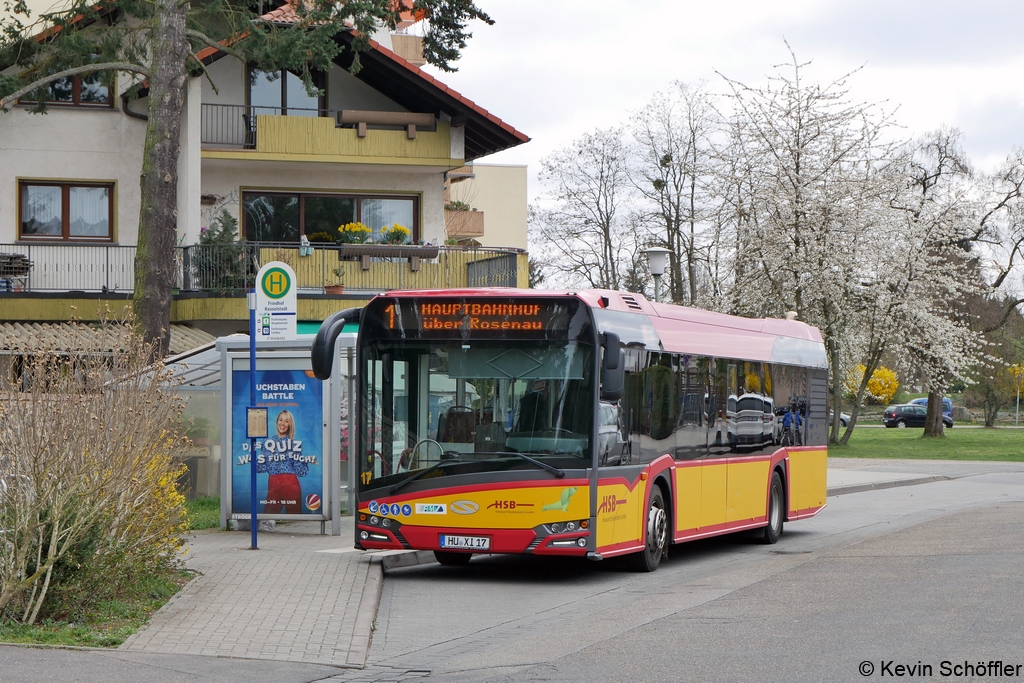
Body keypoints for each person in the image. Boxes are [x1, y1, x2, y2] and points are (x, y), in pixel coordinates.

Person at [258, 409, 308, 514]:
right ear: (277, 422)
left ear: (290, 424)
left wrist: (300, 459)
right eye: (281, 420)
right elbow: (261, 468)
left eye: (286, 421)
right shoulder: (267, 443)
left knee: (295, 518)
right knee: (268, 515)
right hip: (273, 484)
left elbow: (302, 472)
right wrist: (253, 460)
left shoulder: (294, 444)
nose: (283, 423)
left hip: (290, 484)